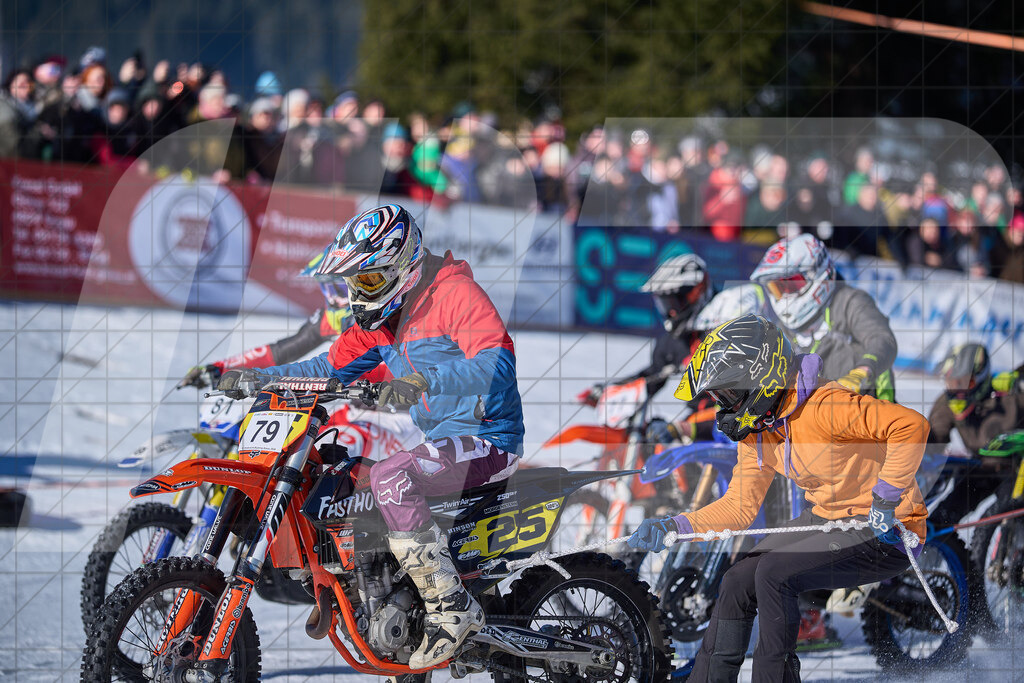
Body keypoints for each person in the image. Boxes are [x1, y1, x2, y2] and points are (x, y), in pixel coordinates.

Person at [218, 204, 523, 668]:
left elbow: (497, 363)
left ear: (404, 265)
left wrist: (424, 381)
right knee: (351, 484)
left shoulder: (455, 293)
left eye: (371, 282)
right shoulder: (380, 323)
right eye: (354, 284)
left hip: (489, 440)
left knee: (391, 477)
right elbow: (324, 367)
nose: (360, 295)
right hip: (439, 444)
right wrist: (260, 378)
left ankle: (451, 607)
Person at [627, 315, 928, 682]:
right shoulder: (759, 431)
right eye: (718, 398)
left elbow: (911, 426)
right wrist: (675, 525)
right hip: (829, 519)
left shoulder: (826, 406)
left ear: (761, 377)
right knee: (738, 578)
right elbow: (739, 508)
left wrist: (885, 499)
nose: (724, 408)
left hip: (887, 530)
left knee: (775, 573)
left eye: (727, 394)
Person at [577, 253, 714, 441]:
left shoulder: (723, 329)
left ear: (696, 292)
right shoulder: (673, 340)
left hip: (727, 421)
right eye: (665, 304)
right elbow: (652, 377)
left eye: (674, 301)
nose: (671, 311)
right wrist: (610, 390)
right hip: (696, 422)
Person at [750, 233, 898, 402]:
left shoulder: (849, 302)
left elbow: (882, 339)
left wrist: (862, 372)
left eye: (791, 283)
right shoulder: (782, 330)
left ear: (817, 273)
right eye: (777, 288)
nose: (784, 296)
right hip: (819, 420)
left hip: (870, 411)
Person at [924, 343, 1024, 525]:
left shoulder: (1010, 395)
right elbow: (934, 440)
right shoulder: (947, 403)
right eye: (952, 383)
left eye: (965, 383)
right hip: (982, 470)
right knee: (941, 519)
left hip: (1017, 470)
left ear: (982, 379)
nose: (958, 392)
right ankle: (950, 553)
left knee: (1002, 519)